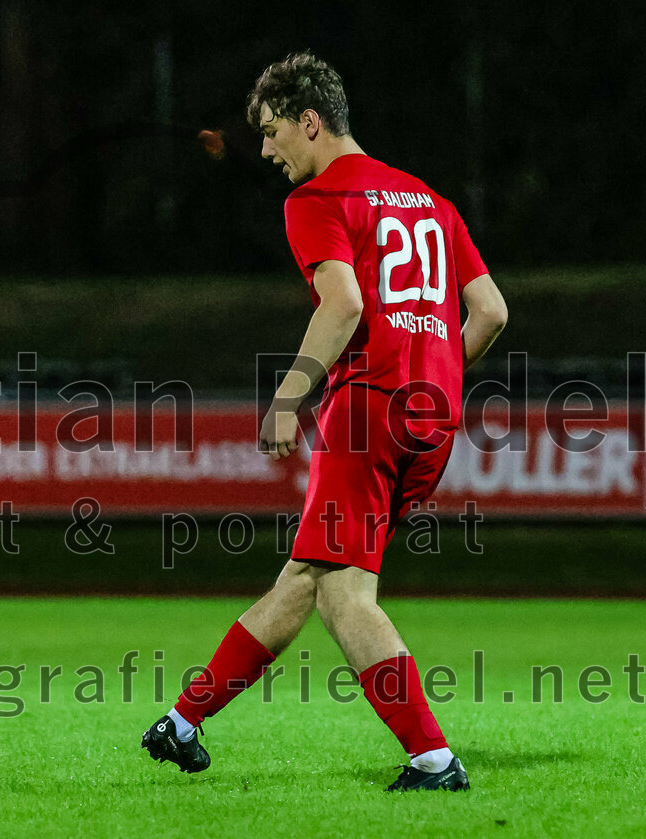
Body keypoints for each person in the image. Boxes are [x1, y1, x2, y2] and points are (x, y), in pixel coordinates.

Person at [141, 50, 508, 792]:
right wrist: (433, 375)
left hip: (367, 414)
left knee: (344, 595)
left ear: (312, 122)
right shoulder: (428, 200)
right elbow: (492, 310)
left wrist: (287, 396)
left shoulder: (316, 201)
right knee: (307, 574)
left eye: (274, 132)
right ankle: (183, 723)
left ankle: (434, 760)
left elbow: (343, 304)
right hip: (431, 422)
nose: (268, 150)